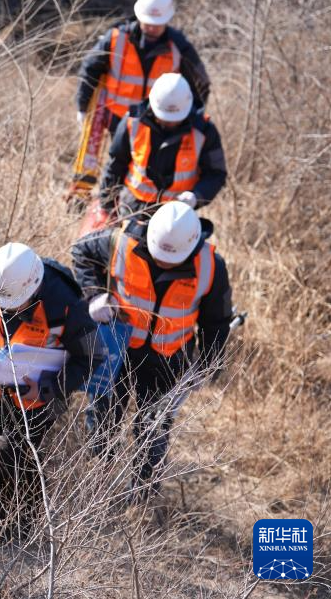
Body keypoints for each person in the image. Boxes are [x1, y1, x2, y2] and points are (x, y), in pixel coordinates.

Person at [71, 201, 233, 500]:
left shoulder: (211, 266)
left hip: (169, 358)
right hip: (118, 349)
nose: (164, 264)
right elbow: (81, 253)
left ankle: (142, 498)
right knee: (103, 416)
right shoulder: (121, 240)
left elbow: (217, 322)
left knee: (153, 429)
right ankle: (97, 484)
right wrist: (94, 295)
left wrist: (207, 366)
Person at [0, 243, 104, 539]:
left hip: (39, 396)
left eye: (14, 304)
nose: (6, 310)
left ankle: (19, 528)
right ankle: (8, 519)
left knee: (11, 455)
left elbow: (93, 356)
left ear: (33, 289)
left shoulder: (63, 302)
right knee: (0, 456)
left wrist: (48, 388)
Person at [75, 0, 211, 189]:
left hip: (152, 125)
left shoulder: (179, 47)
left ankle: (123, 206)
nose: (152, 28)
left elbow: (200, 84)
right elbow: (90, 69)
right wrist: (82, 107)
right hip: (114, 117)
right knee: (113, 164)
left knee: (136, 173)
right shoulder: (115, 39)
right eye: (148, 22)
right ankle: (88, 200)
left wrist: (190, 117)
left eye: (157, 23)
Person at [99, 73, 227, 219]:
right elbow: (116, 164)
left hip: (177, 215)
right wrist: (107, 207)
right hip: (133, 208)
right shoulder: (132, 122)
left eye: (175, 119)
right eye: (165, 118)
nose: (170, 123)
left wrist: (196, 196)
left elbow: (216, 174)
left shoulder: (204, 131)